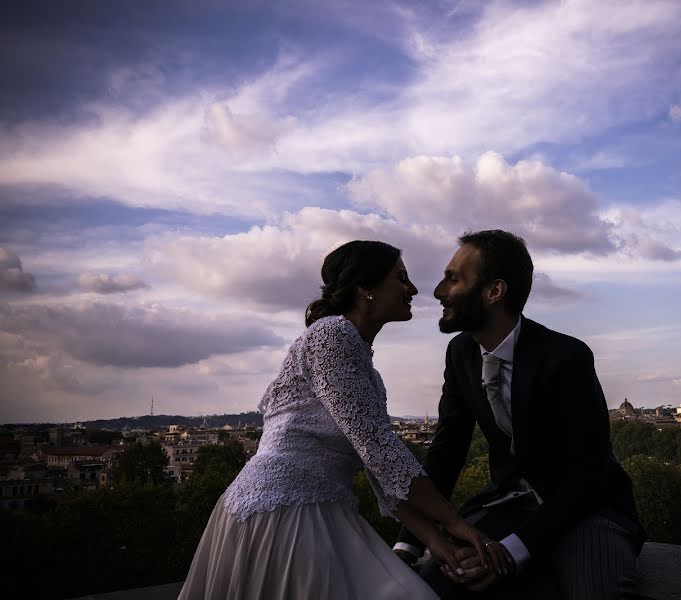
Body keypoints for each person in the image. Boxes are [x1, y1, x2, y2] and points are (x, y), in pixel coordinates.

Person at [179, 240, 512, 600]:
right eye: (401, 278)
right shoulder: (333, 335)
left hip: (311, 510)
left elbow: (379, 471)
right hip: (283, 514)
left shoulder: (361, 362)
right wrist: (456, 524)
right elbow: (381, 451)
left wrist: (434, 540)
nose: (414, 289)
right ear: (365, 288)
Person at [393, 230, 644, 599]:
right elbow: (447, 452)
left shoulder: (567, 357)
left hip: (587, 512)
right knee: (432, 588)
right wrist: (408, 546)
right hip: (511, 505)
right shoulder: (460, 353)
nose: (438, 291)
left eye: (453, 278)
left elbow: (587, 477)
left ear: (494, 291)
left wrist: (511, 552)